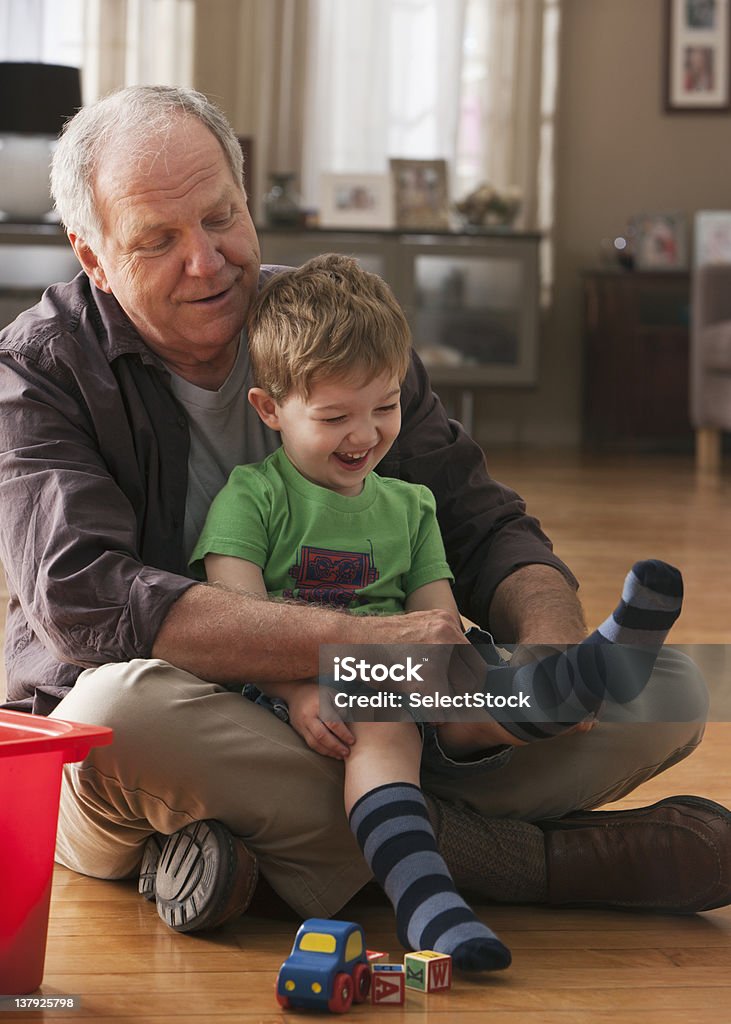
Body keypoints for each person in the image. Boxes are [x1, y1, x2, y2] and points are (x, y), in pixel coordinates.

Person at [0, 85, 727, 939]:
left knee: (670, 689)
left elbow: (484, 523)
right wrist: (368, 647)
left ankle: (272, 850)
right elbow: (89, 599)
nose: (207, 261)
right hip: (198, 713)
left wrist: (551, 654)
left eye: (221, 217)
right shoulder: (37, 371)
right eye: (157, 241)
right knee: (111, 721)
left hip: (383, 707)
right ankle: (520, 863)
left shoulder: (328, 326)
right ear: (92, 256)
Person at [189, 252, 684, 970]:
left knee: (468, 690)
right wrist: (296, 689)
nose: (364, 436)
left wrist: (471, 669)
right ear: (270, 409)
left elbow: (437, 619)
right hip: (302, 684)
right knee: (385, 725)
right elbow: (239, 617)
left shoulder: (412, 505)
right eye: (334, 417)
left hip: (402, 674)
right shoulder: (251, 497)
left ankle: (583, 675)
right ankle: (427, 905)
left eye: (384, 407)